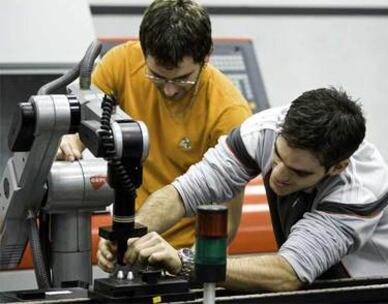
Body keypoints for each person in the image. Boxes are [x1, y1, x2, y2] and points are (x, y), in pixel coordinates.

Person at [98, 87, 388, 292]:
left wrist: (185, 262)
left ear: (336, 167)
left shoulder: (358, 192)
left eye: (298, 172)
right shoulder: (264, 130)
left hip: (387, 290)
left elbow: (288, 271)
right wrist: (129, 235)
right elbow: (183, 193)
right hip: (324, 287)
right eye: (277, 157)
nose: (278, 175)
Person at [57, 0, 251, 251]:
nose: (169, 90)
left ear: (206, 56)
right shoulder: (122, 64)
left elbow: (226, 227)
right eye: (157, 76)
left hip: (182, 249)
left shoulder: (229, 113)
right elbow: (80, 124)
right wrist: (68, 141)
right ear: (144, 51)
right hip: (129, 232)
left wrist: (183, 263)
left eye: (183, 79)